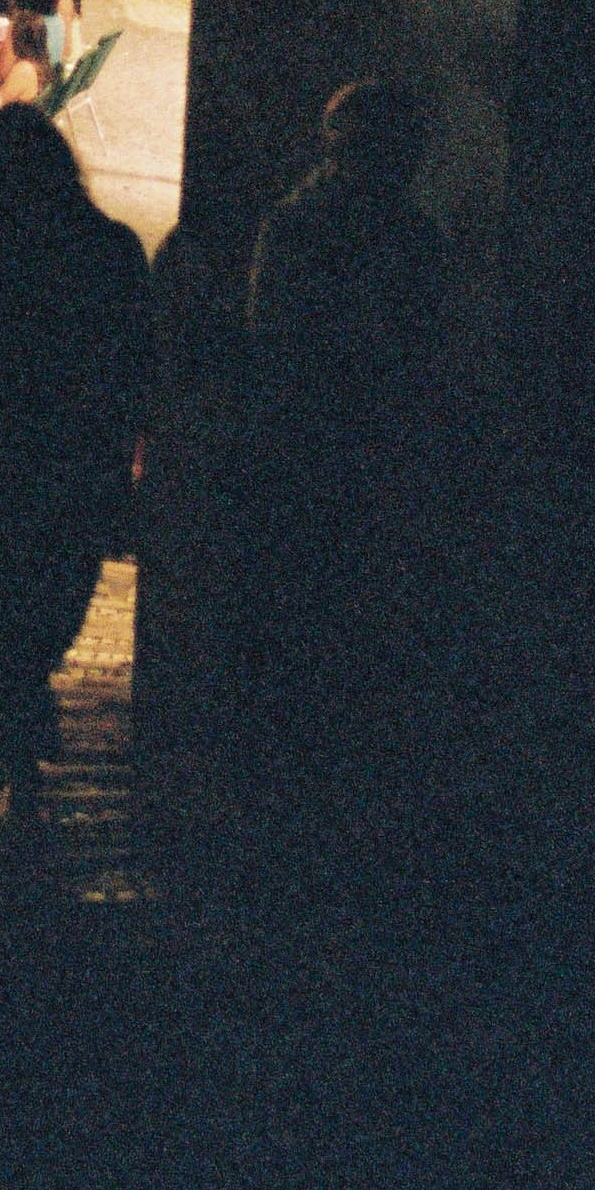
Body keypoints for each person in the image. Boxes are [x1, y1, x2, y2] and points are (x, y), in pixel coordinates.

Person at [0, 106, 151, 833]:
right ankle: (19, 719)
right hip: (75, 467)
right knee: (53, 603)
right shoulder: (112, 250)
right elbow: (135, 366)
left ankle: (2, 740)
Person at [239, 80, 448, 783]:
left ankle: (280, 756)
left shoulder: (293, 226)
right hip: (378, 456)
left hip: (301, 447)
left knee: (293, 607)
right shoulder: (419, 242)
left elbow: (266, 336)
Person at [0, 8, 54, 108]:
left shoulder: (24, 69)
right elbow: (0, 77)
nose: (4, 40)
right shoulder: (32, 63)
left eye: (8, 35)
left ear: (18, 41)